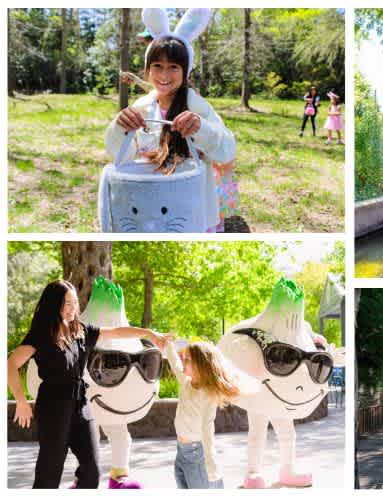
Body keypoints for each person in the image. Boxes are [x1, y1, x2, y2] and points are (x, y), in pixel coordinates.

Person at [6, 280, 167, 489]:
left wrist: (150, 334)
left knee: (91, 471)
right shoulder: (41, 335)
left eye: (75, 303)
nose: (72, 308)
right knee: (50, 472)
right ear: (53, 304)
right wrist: (20, 400)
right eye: (67, 303)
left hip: (81, 405)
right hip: (53, 407)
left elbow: (117, 332)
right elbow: (11, 364)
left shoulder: (81, 331)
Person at [107, 8, 234, 234]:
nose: (164, 75)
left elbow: (226, 151)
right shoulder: (143, 107)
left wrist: (201, 129)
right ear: (147, 70)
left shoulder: (197, 107)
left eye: (173, 67)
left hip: (191, 208)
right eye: (158, 66)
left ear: (185, 71)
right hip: (152, 207)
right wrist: (120, 128)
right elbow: (120, 156)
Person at [163, 339, 248, 489]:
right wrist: (167, 345)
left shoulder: (207, 395)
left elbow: (207, 429)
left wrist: (210, 463)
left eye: (187, 359)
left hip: (197, 454)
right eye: (184, 357)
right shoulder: (186, 382)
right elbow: (175, 364)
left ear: (200, 365)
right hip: (182, 452)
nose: (183, 360)